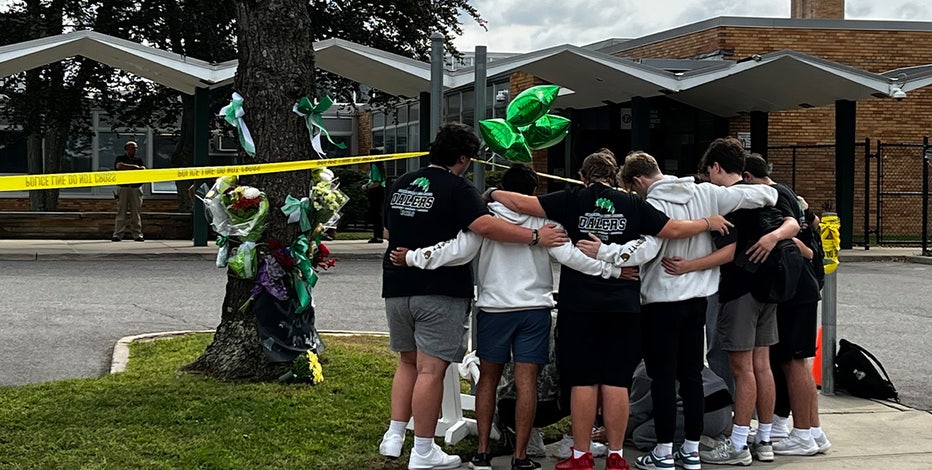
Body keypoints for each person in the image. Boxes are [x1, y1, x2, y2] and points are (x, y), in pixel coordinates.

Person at [488, 152, 731, 470]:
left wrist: (491, 192)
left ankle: (581, 455)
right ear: (616, 176)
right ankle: (616, 455)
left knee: (584, 381)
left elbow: (520, 205)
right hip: (624, 307)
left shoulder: (571, 199)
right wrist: (706, 223)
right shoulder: (634, 204)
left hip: (580, 306)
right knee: (617, 381)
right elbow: (669, 231)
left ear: (583, 176)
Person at [390, 163, 627, 470]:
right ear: (533, 193)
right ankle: (520, 455)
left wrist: (412, 257)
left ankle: (483, 452)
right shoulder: (545, 221)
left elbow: (456, 251)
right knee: (526, 380)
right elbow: (572, 257)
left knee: (487, 379)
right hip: (534, 309)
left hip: (493, 308)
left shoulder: (486, 219)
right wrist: (615, 269)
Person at [377, 123, 569, 470]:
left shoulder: (401, 183)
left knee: (407, 363)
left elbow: (390, 229)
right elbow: (478, 232)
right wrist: (535, 236)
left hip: (396, 285)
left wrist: (410, 255)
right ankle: (422, 450)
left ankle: (394, 433)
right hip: (441, 291)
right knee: (431, 371)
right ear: (462, 158)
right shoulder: (460, 189)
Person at [577, 150, 777, 470]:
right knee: (692, 374)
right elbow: (765, 194)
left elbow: (648, 249)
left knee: (663, 378)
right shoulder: (705, 192)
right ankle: (693, 450)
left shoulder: (652, 204)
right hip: (698, 299)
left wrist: (605, 253)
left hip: (661, 301)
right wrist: (786, 201)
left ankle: (664, 451)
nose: (634, 194)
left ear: (638, 180)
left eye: (633, 189)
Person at [666, 138, 800, 466]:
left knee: (741, 370)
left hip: (740, 291)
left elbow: (727, 252)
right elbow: (793, 222)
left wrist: (687, 266)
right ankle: (764, 438)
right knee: (762, 365)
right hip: (770, 290)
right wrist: (772, 238)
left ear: (715, 167)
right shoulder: (761, 194)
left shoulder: (729, 200)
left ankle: (737, 442)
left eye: (709, 171)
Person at [742, 155, 830, 457]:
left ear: (748, 176)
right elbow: (811, 228)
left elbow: (804, 247)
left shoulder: (774, 198)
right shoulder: (790, 194)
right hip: (800, 287)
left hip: (796, 289)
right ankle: (812, 431)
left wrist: (776, 238)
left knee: (795, 362)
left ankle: (803, 434)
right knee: (794, 362)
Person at [112, 141, 146, 242]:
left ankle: (137, 234)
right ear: (127, 149)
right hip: (123, 188)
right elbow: (119, 166)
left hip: (135, 188)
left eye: (136, 148)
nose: (134, 150)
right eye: (132, 148)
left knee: (136, 212)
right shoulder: (120, 158)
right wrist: (134, 168)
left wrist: (136, 168)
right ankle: (118, 234)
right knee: (121, 211)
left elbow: (143, 169)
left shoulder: (138, 160)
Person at [362, 148, 387, 243]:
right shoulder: (381, 166)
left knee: (376, 214)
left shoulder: (375, 166)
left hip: (376, 191)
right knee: (379, 214)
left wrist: (366, 187)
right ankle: (378, 235)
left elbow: (376, 182)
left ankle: (378, 236)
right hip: (380, 191)